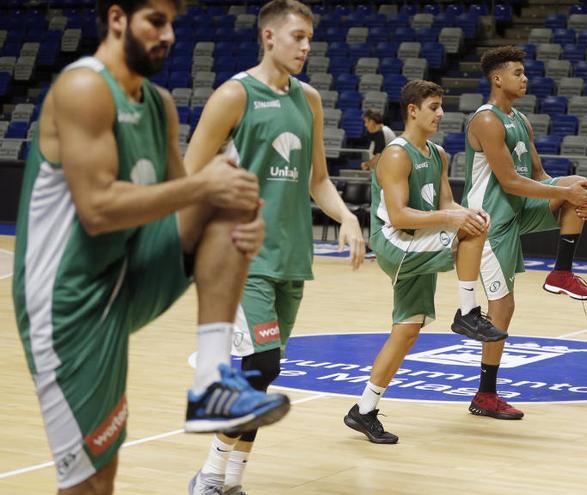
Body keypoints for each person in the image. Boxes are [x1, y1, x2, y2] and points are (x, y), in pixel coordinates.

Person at [12, 1, 290, 493]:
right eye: (156, 22)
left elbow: (183, 203)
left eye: (172, 25)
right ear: (117, 18)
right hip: (67, 303)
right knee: (92, 481)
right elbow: (97, 208)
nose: (169, 36)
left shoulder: (157, 103)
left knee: (235, 194)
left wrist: (237, 226)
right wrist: (207, 189)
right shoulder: (82, 88)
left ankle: (210, 383)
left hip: (126, 272)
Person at [184, 1, 366, 492]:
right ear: (269, 37)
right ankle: (209, 475)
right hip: (242, 257)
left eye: (310, 38)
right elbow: (189, 173)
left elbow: (319, 181)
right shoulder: (233, 95)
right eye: (297, 37)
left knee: (262, 376)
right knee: (260, 366)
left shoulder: (308, 100)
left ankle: (230, 479)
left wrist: (347, 216)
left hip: (291, 257)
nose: (306, 46)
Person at [343, 80, 506, 444]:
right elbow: (399, 216)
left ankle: (363, 410)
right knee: (470, 232)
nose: (441, 113)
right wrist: (457, 222)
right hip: (395, 242)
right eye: (433, 106)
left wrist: (468, 212)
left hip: (419, 240)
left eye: (441, 106)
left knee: (407, 329)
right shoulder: (397, 154)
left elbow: (446, 204)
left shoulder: (438, 154)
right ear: (412, 110)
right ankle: (467, 311)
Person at [462, 46, 587, 419]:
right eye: (518, 73)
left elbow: (537, 176)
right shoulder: (487, 121)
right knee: (502, 306)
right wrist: (563, 193)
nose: (525, 78)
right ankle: (484, 396)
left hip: (518, 211)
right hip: (488, 221)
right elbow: (508, 180)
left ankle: (561, 272)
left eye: (525, 73)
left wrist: (573, 193)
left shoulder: (520, 119)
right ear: (497, 78)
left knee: (579, 183)